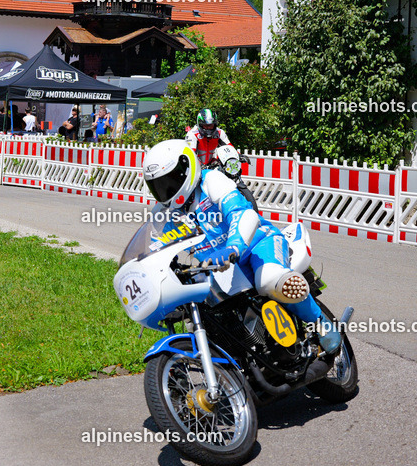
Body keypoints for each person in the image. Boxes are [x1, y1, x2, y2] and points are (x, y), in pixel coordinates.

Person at [142, 140, 341, 355]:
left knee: (270, 280)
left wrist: (234, 246)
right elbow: (155, 250)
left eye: (171, 180)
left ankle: (319, 322)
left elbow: (242, 213)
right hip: (219, 266)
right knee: (202, 317)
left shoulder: (211, 181)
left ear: (187, 168)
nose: (166, 190)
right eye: (159, 185)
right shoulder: (164, 213)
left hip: (257, 245)